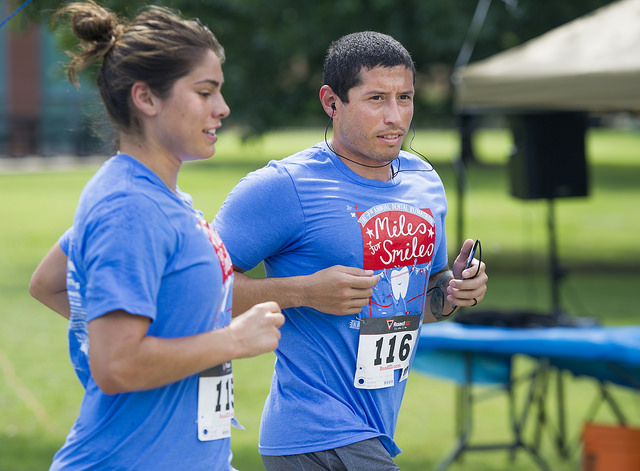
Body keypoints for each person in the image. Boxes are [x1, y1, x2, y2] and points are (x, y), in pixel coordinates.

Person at [212, 31, 488, 470]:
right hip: (314, 431)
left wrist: (452, 292)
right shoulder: (285, 187)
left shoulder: (425, 182)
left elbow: (419, 303)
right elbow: (199, 289)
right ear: (331, 102)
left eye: (405, 97)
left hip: (374, 427)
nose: (395, 116)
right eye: (376, 98)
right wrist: (304, 291)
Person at [28, 2, 284, 470]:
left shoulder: (151, 195)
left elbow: (48, 281)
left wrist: (160, 334)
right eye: (205, 92)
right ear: (146, 99)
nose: (222, 108)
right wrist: (231, 340)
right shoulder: (128, 207)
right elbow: (117, 366)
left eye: (219, 92)